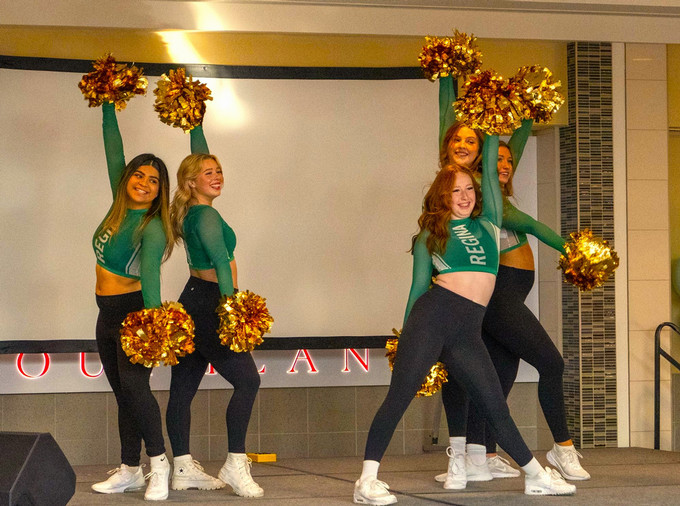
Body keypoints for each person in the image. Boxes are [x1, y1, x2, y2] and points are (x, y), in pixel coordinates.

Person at [353, 134, 575, 505]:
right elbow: (416, 289)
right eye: (456, 191)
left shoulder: (489, 222)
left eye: (469, 188)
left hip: (467, 331)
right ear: (443, 196)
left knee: (494, 404)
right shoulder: (430, 233)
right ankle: (366, 480)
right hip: (433, 317)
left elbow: (489, 165)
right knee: (398, 397)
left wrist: (489, 126)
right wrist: (406, 336)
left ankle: (536, 476)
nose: (465, 195)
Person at [434, 123, 590, 488]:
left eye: (509, 160)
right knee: (551, 363)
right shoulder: (486, 199)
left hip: (510, 295)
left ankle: (481, 454)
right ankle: (562, 447)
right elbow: (534, 226)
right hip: (499, 296)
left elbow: (515, 141)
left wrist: (524, 110)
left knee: (499, 379)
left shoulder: (498, 191)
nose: (505, 164)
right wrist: (575, 252)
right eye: (497, 158)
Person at [166, 124, 263, 498]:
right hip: (211, 302)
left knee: (182, 390)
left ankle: (182, 467)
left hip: (193, 300)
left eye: (219, 170)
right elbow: (223, 264)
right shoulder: (205, 216)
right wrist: (232, 308)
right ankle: (235, 463)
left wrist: (196, 124)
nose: (217, 176)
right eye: (208, 172)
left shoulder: (192, 211)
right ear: (191, 182)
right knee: (248, 381)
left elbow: (197, 159)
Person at [91, 102, 173, 501]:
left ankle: (159, 464)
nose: (144, 182)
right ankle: (129, 469)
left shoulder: (152, 226)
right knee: (124, 394)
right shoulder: (118, 203)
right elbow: (113, 149)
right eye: (139, 174)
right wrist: (107, 103)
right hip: (105, 314)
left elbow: (153, 278)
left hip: (136, 314)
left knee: (137, 391)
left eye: (154, 179)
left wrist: (154, 328)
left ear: (162, 189)